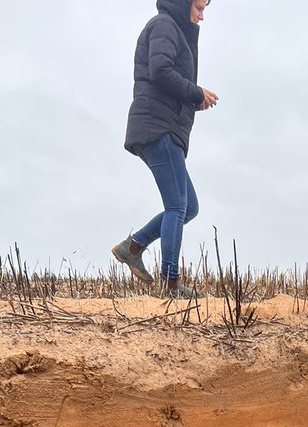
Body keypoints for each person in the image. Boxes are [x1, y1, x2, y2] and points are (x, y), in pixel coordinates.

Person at [112, 0, 219, 299]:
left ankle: (132, 248)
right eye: (198, 7)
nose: (201, 15)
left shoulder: (175, 32)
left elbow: (169, 78)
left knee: (189, 206)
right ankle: (171, 284)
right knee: (176, 206)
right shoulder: (164, 25)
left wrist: (194, 98)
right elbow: (160, 71)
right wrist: (196, 92)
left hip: (162, 126)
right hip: (157, 128)